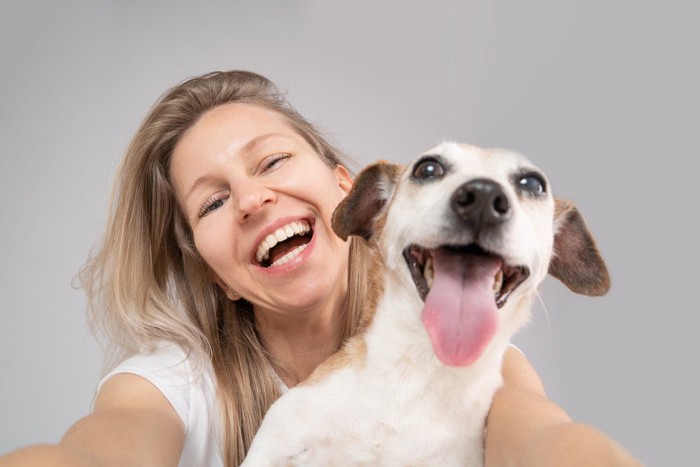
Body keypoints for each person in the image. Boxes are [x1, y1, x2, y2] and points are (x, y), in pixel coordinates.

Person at [0, 70, 641, 467]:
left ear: (345, 194)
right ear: (379, 212)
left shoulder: (489, 371)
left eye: (272, 161)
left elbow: (540, 445)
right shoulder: (171, 387)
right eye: (214, 201)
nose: (253, 200)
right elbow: (101, 450)